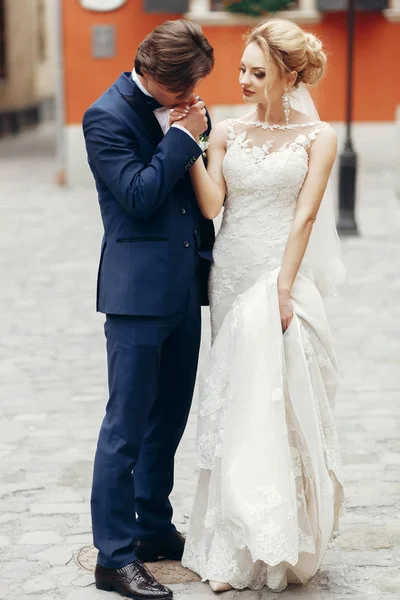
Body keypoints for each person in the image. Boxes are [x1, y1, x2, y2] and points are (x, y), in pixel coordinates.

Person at [178, 18, 345, 593]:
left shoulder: (319, 137)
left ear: (289, 74)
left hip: (280, 275)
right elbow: (212, 205)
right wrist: (190, 146)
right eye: (242, 69)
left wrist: (284, 285)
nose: (244, 80)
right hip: (231, 275)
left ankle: (282, 536)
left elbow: (305, 216)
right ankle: (233, 537)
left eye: (257, 71)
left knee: (282, 399)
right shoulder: (225, 129)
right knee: (237, 398)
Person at [82, 19, 214, 600]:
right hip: (136, 298)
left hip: (184, 290)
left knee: (169, 420)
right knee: (126, 428)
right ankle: (113, 557)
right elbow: (137, 196)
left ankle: (153, 531)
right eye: (183, 90)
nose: (191, 99)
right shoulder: (104, 117)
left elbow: (195, 199)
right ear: (156, 76)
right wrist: (184, 140)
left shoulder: (183, 112)